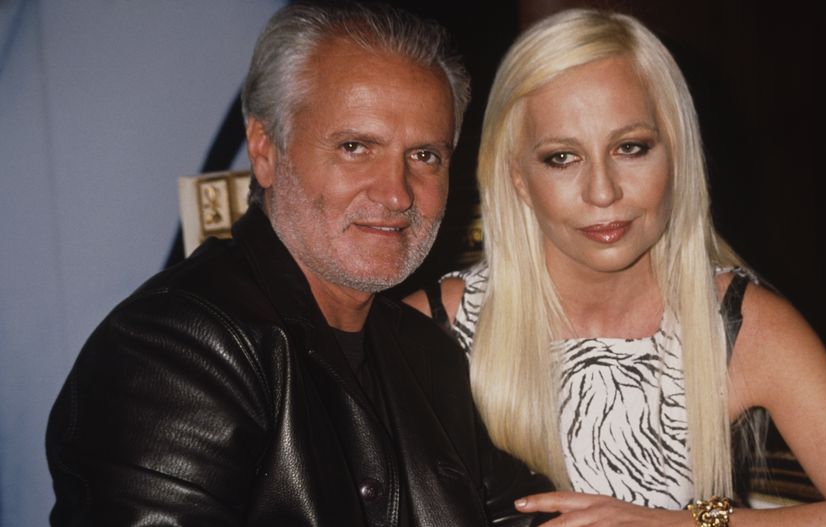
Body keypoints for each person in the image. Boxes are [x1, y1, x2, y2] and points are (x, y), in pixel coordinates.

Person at [406, 8, 826, 526]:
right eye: (562, 157)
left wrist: (680, 523)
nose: (603, 191)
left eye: (630, 148)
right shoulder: (432, 330)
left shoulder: (738, 324)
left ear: (677, 154)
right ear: (518, 177)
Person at [45, 3, 554, 526]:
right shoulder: (176, 351)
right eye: (355, 147)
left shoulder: (426, 355)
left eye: (425, 156)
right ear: (265, 151)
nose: (396, 193)